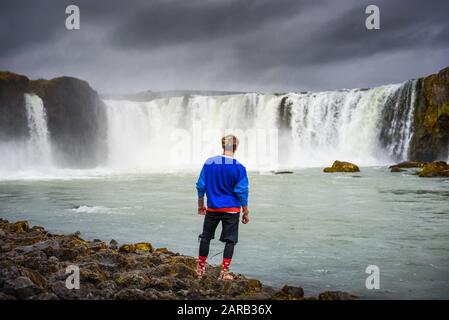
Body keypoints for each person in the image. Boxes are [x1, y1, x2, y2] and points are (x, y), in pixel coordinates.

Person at [195, 134, 249, 280]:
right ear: (236, 147)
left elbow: (201, 185)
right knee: (230, 241)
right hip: (232, 210)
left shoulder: (209, 163)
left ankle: (200, 268)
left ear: (222, 146)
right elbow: (241, 191)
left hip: (212, 208)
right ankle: (224, 272)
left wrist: (201, 205)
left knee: (206, 237)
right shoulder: (239, 168)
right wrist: (245, 211)